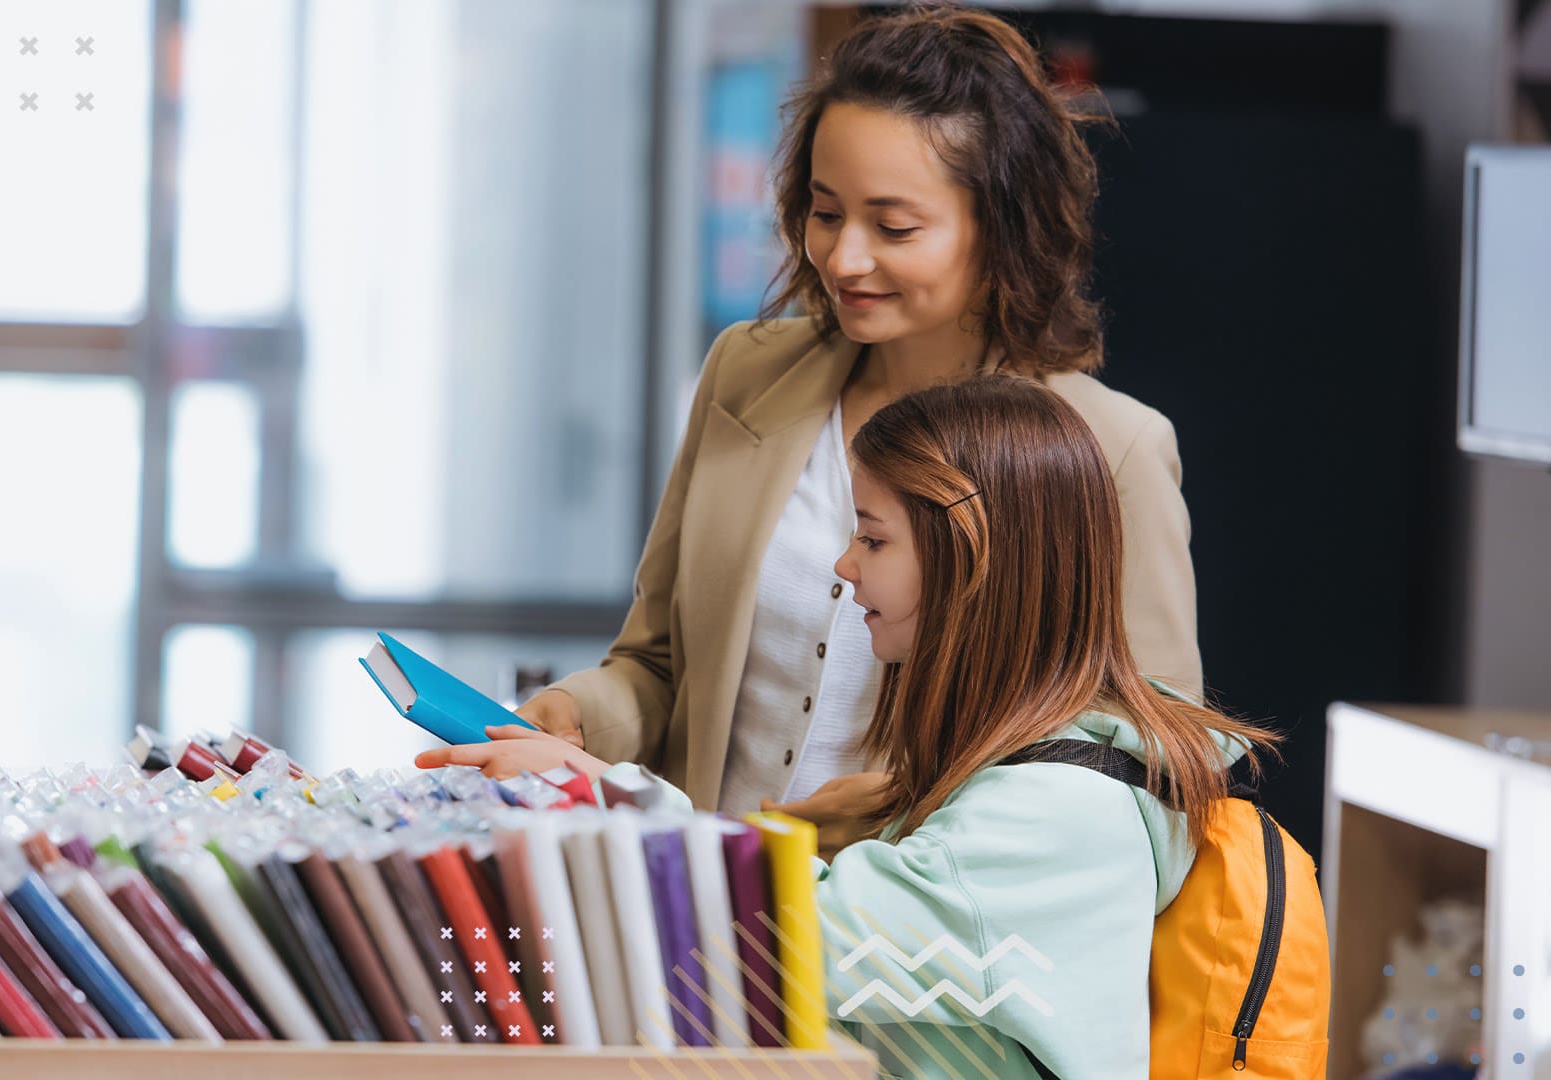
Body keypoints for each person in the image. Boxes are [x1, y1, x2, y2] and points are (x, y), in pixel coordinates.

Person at [420, 376, 1278, 1078]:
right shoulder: (1033, 782)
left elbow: (783, 938)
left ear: (970, 558)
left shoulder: (1054, 817)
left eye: (872, 539)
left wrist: (595, 791)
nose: (843, 567)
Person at [514, 6, 1203, 826]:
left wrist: (913, 801)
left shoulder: (1108, 447)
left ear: (1002, 230)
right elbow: (660, 664)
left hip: (912, 932)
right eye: (826, 211)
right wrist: (576, 714)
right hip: (702, 909)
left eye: (894, 226)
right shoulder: (746, 372)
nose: (844, 258)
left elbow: (1151, 762)